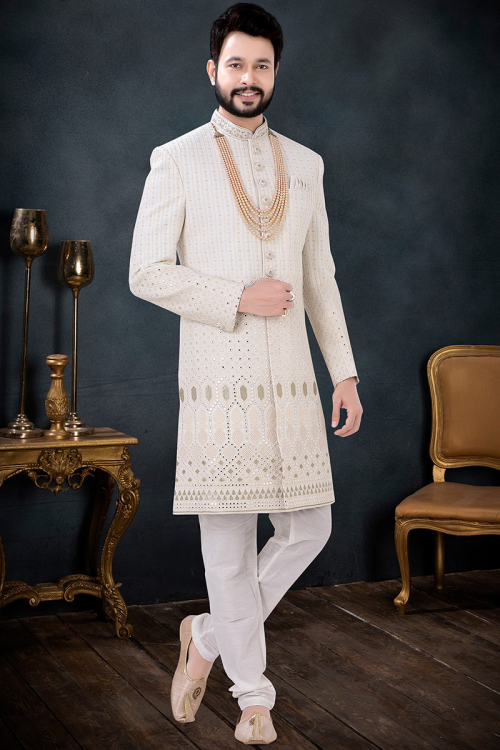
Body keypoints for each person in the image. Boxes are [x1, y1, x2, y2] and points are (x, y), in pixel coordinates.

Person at [129, 3, 363, 744]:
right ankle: (253, 697)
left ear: (275, 72)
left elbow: (320, 278)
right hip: (218, 385)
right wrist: (237, 296)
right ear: (213, 70)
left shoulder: (306, 164)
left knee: (311, 526)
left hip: (292, 383)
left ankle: (203, 636)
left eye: (261, 64)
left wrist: (344, 374)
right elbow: (145, 272)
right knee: (227, 546)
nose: (248, 77)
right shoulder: (177, 159)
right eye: (236, 64)